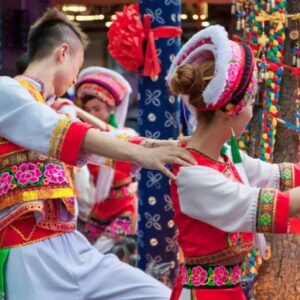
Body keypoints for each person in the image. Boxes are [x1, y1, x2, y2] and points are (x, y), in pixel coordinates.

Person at [0, 8, 196, 300]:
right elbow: (73, 136)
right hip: (29, 252)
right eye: (78, 67)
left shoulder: (50, 109)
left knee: (160, 295)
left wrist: (165, 147)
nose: (76, 77)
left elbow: (100, 140)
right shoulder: (7, 92)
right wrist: (142, 154)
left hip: (73, 245)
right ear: (62, 53)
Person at [166, 25, 300, 300]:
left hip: (229, 290)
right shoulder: (193, 175)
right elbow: (262, 205)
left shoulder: (225, 153)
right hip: (204, 294)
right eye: (252, 102)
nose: (253, 111)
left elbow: (277, 176)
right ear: (231, 112)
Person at [75, 66, 139, 264]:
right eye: (88, 110)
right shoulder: (87, 139)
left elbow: (112, 135)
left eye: (97, 109)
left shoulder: (127, 134)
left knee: (103, 254)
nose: (91, 113)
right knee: (86, 252)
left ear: (111, 109)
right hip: (100, 206)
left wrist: (79, 113)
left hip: (124, 206)